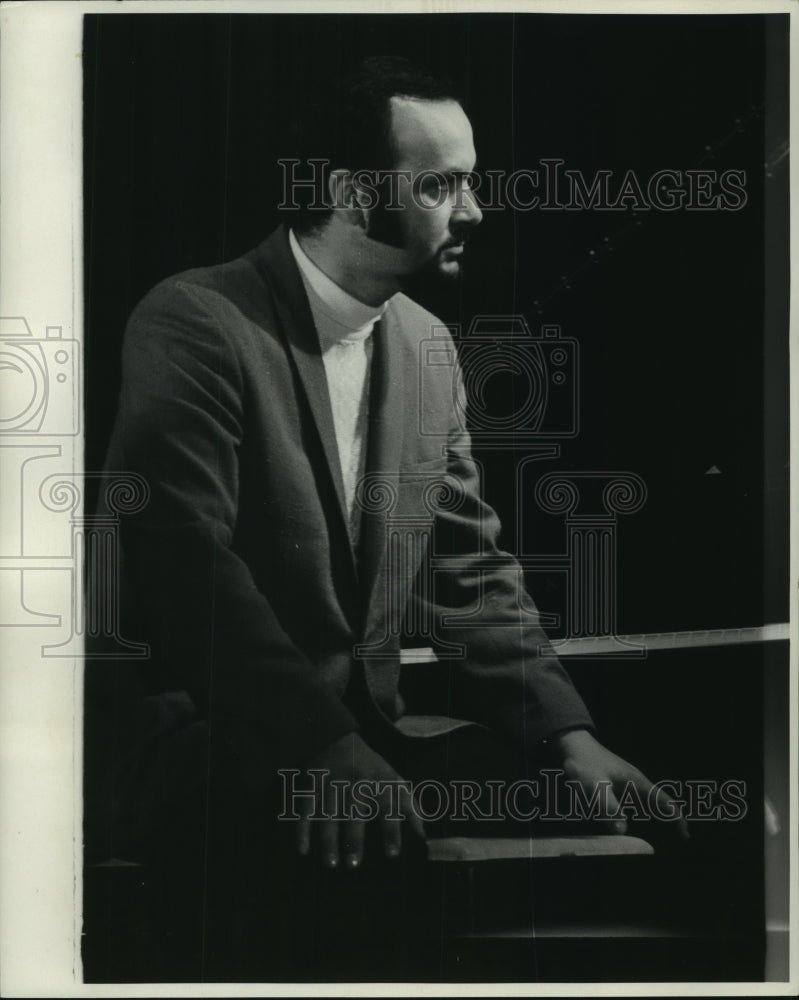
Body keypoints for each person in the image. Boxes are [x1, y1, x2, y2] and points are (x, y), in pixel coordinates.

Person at [85, 55, 683, 980]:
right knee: (359, 861)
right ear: (349, 192)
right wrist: (320, 746)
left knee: (598, 812)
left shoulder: (428, 345)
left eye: (468, 181)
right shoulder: (198, 318)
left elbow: (470, 572)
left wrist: (572, 740)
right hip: (208, 741)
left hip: (365, 738)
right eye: (441, 183)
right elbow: (176, 560)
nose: (474, 211)